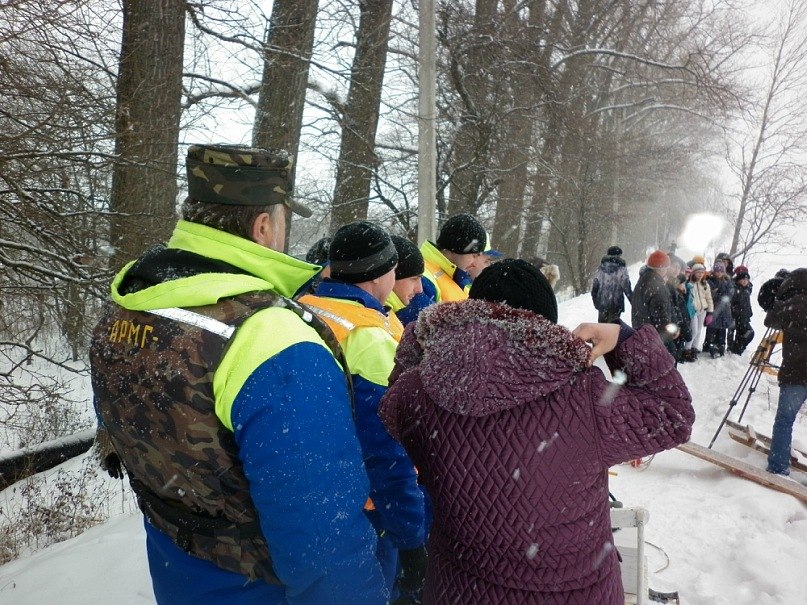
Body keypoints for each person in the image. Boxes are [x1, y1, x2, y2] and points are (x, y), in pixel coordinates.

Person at [89, 145, 388, 604]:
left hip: (177, 567)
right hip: (260, 588)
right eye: (284, 219)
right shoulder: (271, 340)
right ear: (263, 226)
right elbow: (322, 539)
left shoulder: (128, 305)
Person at [379, 258, 694, 604]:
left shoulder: (419, 395)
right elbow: (673, 415)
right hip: (574, 594)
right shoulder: (585, 393)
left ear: (467, 313)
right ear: (544, 322)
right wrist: (624, 338)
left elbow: (392, 404)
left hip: (459, 590)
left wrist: (425, 334)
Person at [299, 222, 427, 601]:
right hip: (369, 510)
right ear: (379, 274)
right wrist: (410, 534)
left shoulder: (306, 309)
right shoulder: (368, 339)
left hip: (313, 494)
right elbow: (386, 448)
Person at [764, 268, 807, 476]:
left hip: (794, 373)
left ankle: (778, 466)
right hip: (796, 373)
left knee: (784, 421)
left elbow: (769, 319)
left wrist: (778, 293)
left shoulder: (791, 306)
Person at [631, 250, 676, 355]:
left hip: (641, 331)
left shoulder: (642, 281)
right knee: (666, 362)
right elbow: (661, 317)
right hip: (655, 336)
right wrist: (668, 334)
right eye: (667, 267)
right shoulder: (658, 287)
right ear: (662, 269)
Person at [387, 235, 426, 325]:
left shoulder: (393, 314)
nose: (419, 289)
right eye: (414, 279)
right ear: (392, 276)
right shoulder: (384, 318)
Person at [591, 245, 633, 323]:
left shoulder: (601, 268)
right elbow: (627, 288)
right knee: (612, 329)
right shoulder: (622, 269)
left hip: (602, 304)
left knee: (601, 329)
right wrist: (634, 303)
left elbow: (595, 287)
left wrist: (596, 302)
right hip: (616, 305)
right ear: (619, 255)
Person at [704, 259, 734, 357]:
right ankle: (709, 345)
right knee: (712, 328)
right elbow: (711, 294)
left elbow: (730, 293)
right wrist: (719, 295)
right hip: (714, 308)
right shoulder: (710, 280)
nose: (719, 273)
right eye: (717, 271)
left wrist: (721, 295)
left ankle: (721, 346)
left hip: (725, 309)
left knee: (722, 329)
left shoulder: (727, 280)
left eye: (721, 271)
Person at [683, 262, 713, 361]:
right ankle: (687, 349)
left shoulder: (705, 284)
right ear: (694, 273)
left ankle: (693, 349)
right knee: (694, 331)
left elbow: (709, 298)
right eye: (698, 272)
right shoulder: (689, 284)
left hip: (703, 310)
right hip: (693, 311)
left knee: (699, 331)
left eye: (702, 272)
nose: (700, 274)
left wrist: (710, 312)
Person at [728, 265, 754, 354]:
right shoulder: (735, 289)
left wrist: (749, 313)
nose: (745, 281)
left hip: (744, 316)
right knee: (747, 332)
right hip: (737, 316)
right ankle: (733, 347)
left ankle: (737, 348)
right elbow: (731, 303)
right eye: (743, 279)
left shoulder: (747, 289)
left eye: (746, 279)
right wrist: (735, 312)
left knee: (744, 333)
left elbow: (747, 303)